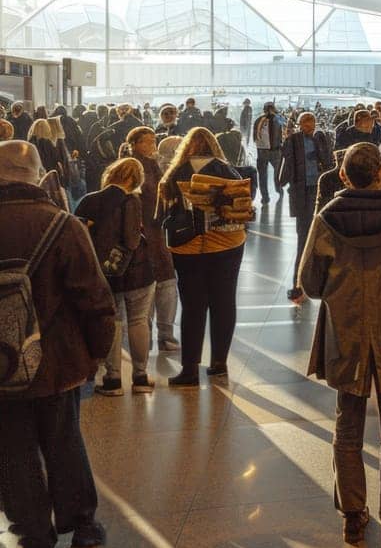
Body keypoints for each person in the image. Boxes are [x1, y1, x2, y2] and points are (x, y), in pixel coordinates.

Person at [295, 142, 381, 548]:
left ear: (343, 175)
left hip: (346, 328)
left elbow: (310, 283)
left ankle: (353, 516)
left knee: (347, 422)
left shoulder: (326, 218)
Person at [0, 140, 115, 548]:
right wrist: (98, 352)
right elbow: (94, 298)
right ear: (35, 173)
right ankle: (82, 525)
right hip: (57, 360)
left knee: (13, 450)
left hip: (3, 364)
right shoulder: (61, 224)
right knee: (64, 440)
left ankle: (31, 531)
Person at [160, 127, 251, 387]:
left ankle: (189, 369)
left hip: (188, 247)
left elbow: (164, 203)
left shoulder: (177, 171)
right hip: (227, 244)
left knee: (192, 306)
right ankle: (219, 363)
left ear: (187, 146)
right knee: (224, 301)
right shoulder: (226, 169)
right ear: (214, 144)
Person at [75, 156, 156, 396]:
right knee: (139, 321)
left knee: (114, 322)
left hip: (106, 273)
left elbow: (78, 236)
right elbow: (137, 238)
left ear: (110, 174)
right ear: (136, 179)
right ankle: (140, 378)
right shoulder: (136, 201)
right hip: (140, 272)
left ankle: (113, 380)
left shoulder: (90, 201)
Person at [127, 127, 179, 353]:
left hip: (156, 234)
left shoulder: (152, 164)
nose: (152, 145)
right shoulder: (132, 167)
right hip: (142, 234)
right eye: (147, 141)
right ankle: (149, 336)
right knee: (148, 286)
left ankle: (163, 334)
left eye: (153, 140)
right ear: (135, 144)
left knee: (165, 283)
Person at [281, 111, 334, 273]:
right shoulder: (293, 140)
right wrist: (282, 180)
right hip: (300, 188)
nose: (309, 125)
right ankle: (300, 276)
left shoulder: (320, 138)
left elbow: (327, 160)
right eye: (305, 121)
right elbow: (287, 161)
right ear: (299, 124)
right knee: (303, 232)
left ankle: (314, 272)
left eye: (311, 121)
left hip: (316, 187)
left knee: (317, 226)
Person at [253, 103, 285, 205]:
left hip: (262, 151)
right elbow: (286, 125)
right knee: (277, 173)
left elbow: (255, 137)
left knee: (263, 175)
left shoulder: (258, 120)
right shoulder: (278, 119)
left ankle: (265, 197)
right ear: (273, 109)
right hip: (275, 151)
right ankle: (279, 190)